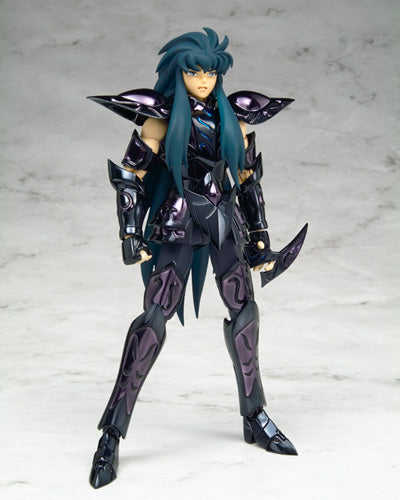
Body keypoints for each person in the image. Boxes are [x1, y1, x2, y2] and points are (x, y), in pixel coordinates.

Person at [88, 27, 304, 489]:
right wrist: (129, 231)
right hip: (179, 219)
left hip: (225, 222)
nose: (203, 80)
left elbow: (247, 181)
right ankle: (111, 434)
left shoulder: (235, 116)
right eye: (194, 72)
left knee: (245, 312)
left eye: (210, 72)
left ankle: (255, 416)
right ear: (180, 74)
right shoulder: (162, 117)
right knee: (153, 319)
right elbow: (130, 175)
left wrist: (260, 239)